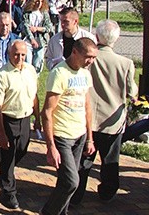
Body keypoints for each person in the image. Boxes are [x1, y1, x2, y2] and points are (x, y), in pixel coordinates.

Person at [71, 20, 138, 204]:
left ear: (97, 36)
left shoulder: (90, 58)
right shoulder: (125, 63)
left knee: (84, 161)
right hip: (112, 121)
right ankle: (107, 192)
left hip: (88, 119)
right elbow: (132, 92)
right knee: (110, 161)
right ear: (116, 39)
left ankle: (76, 195)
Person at [40, 37, 97, 215]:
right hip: (62, 135)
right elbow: (47, 111)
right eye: (88, 57)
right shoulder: (59, 73)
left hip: (79, 135)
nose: (91, 61)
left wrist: (90, 138)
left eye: (94, 58)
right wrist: (51, 146)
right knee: (72, 181)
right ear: (74, 52)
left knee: (65, 182)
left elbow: (87, 107)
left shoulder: (85, 74)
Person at [0, 41, 40, 209]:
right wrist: (1, 132)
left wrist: (37, 118)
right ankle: (9, 191)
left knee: (22, 150)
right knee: (9, 155)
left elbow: (35, 96)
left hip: (25, 118)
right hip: (8, 119)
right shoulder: (3, 75)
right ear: (9, 54)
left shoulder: (30, 71)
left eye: (23, 55)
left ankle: (4, 169)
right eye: (16, 54)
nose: (19, 58)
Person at [21, 0, 53, 73]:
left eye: (41, 1)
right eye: (37, 1)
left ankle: (35, 77)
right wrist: (32, 39)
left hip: (41, 41)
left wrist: (37, 28)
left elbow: (49, 27)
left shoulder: (44, 14)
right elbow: (26, 26)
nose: (39, 4)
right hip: (28, 41)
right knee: (27, 62)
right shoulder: (27, 13)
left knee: (38, 62)